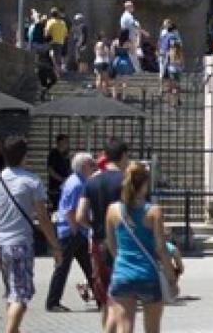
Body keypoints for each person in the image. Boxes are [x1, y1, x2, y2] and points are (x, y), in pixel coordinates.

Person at [0, 137, 62, 333]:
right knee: (21, 297)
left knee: (12, 293)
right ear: (25, 156)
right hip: (20, 244)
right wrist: (56, 246)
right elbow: (43, 218)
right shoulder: (31, 181)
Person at [105, 161, 179, 333]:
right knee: (152, 329)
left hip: (122, 273)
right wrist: (171, 279)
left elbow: (111, 244)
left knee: (125, 327)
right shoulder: (154, 211)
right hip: (147, 273)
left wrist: (123, 261)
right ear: (145, 184)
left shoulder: (113, 210)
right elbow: (161, 248)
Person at [76, 138, 130, 328]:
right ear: (123, 156)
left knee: (106, 297)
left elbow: (80, 215)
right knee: (123, 299)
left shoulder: (91, 181)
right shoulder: (126, 181)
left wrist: (94, 226)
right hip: (124, 244)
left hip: (100, 242)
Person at [46, 152, 96, 312]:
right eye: (91, 164)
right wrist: (76, 230)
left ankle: (102, 299)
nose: (94, 167)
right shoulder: (77, 184)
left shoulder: (77, 181)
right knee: (63, 268)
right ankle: (52, 302)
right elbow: (70, 210)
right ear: (83, 167)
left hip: (74, 231)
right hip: (71, 232)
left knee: (89, 267)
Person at [47, 134, 72, 212]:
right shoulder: (53, 154)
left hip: (65, 186)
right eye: (66, 141)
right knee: (56, 208)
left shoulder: (66, 154)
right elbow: (50, 170)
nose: (67, 144)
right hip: (55, 187)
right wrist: (62, 179)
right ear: (60, 142)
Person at [111, 30, 136, 99]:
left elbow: (112, 52)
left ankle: (114, 96)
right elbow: (132, 52)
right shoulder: (128, 42)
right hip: (125, 61)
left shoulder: (115, 41)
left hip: (117, 61)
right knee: (125, 80)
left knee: (116, 80)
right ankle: (124, 96)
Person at [45, 8, 69, 78]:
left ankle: (54, 73)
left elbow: (47, 33)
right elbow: (66, 34)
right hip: (60, 42)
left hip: (51, 42)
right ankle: (58, 72)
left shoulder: (50, 22)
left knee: (50, 57)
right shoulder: (62, 23)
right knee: (58, 58)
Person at [157, 20, 180, 84]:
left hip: (163, 52)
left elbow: (159, 43)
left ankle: (162, 88)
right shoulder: (171, 35)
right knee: (170, 71)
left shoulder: (164, 34)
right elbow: (172, 45)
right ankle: (171, 88)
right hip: (167, 53)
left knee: (163, 71)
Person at [165, 41, 184, 107]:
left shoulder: (169, 52)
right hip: (178, 71)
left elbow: (166, 62)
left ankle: (173, 102)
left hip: (171, 70)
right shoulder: (180, 52)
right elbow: (182, 62)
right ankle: (178, 99)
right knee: (177, 86)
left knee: (173, 87)